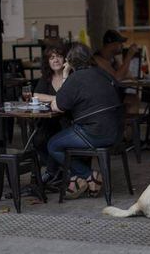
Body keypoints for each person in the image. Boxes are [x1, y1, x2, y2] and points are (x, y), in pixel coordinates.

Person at [49, 42, 121, 199]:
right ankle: (80, 179)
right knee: (68, 136)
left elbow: (58, 106)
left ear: (70, 61)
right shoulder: (103, 73)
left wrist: (66, 74)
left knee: (53, 145)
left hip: (92, 133)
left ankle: (89, 175)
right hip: (115, 132)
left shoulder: (75, 79)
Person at [33, 41, 70, 184]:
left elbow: (69, 100)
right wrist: (56, 98)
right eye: (51, 57)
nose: (55, 60)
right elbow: (36, 95)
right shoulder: (47, 78)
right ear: (47, 61)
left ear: (65, 59)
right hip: (50, 121)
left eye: (59, 56)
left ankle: (51, 172)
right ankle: (57, 170)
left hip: (67, 121)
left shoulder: (71, 75)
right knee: (38, 140)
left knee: (54, 139)